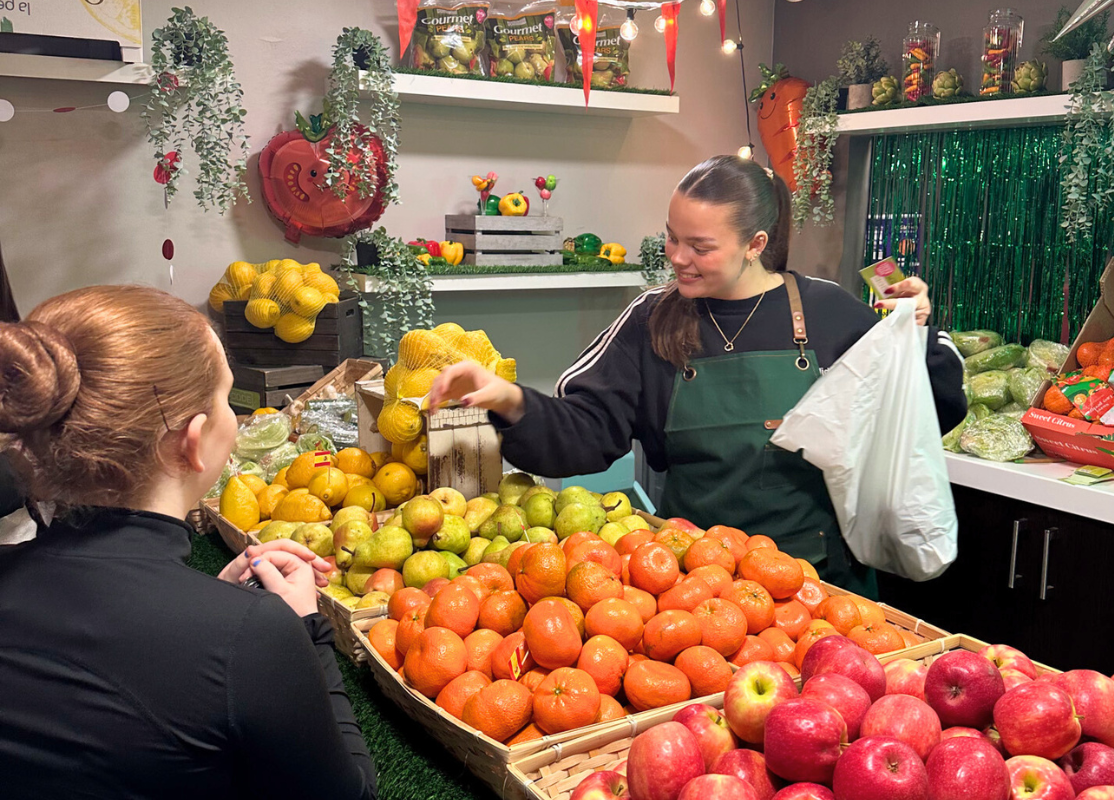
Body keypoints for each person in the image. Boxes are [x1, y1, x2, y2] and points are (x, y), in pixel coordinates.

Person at [430, 156, 966, 596]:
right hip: (686, 591)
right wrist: (510, 401)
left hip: (818, 587)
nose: (679, 259)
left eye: (701, 247)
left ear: (756, 244)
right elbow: (585, 433)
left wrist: (916, 335)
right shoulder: (649, 320)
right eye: (672, 238)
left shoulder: (830, 313)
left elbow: (926, 411)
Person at [0, 285, 377, 799]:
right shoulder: (252, 636)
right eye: (226, 397)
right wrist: (306, 632)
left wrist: (206, 603)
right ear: (193, 440)